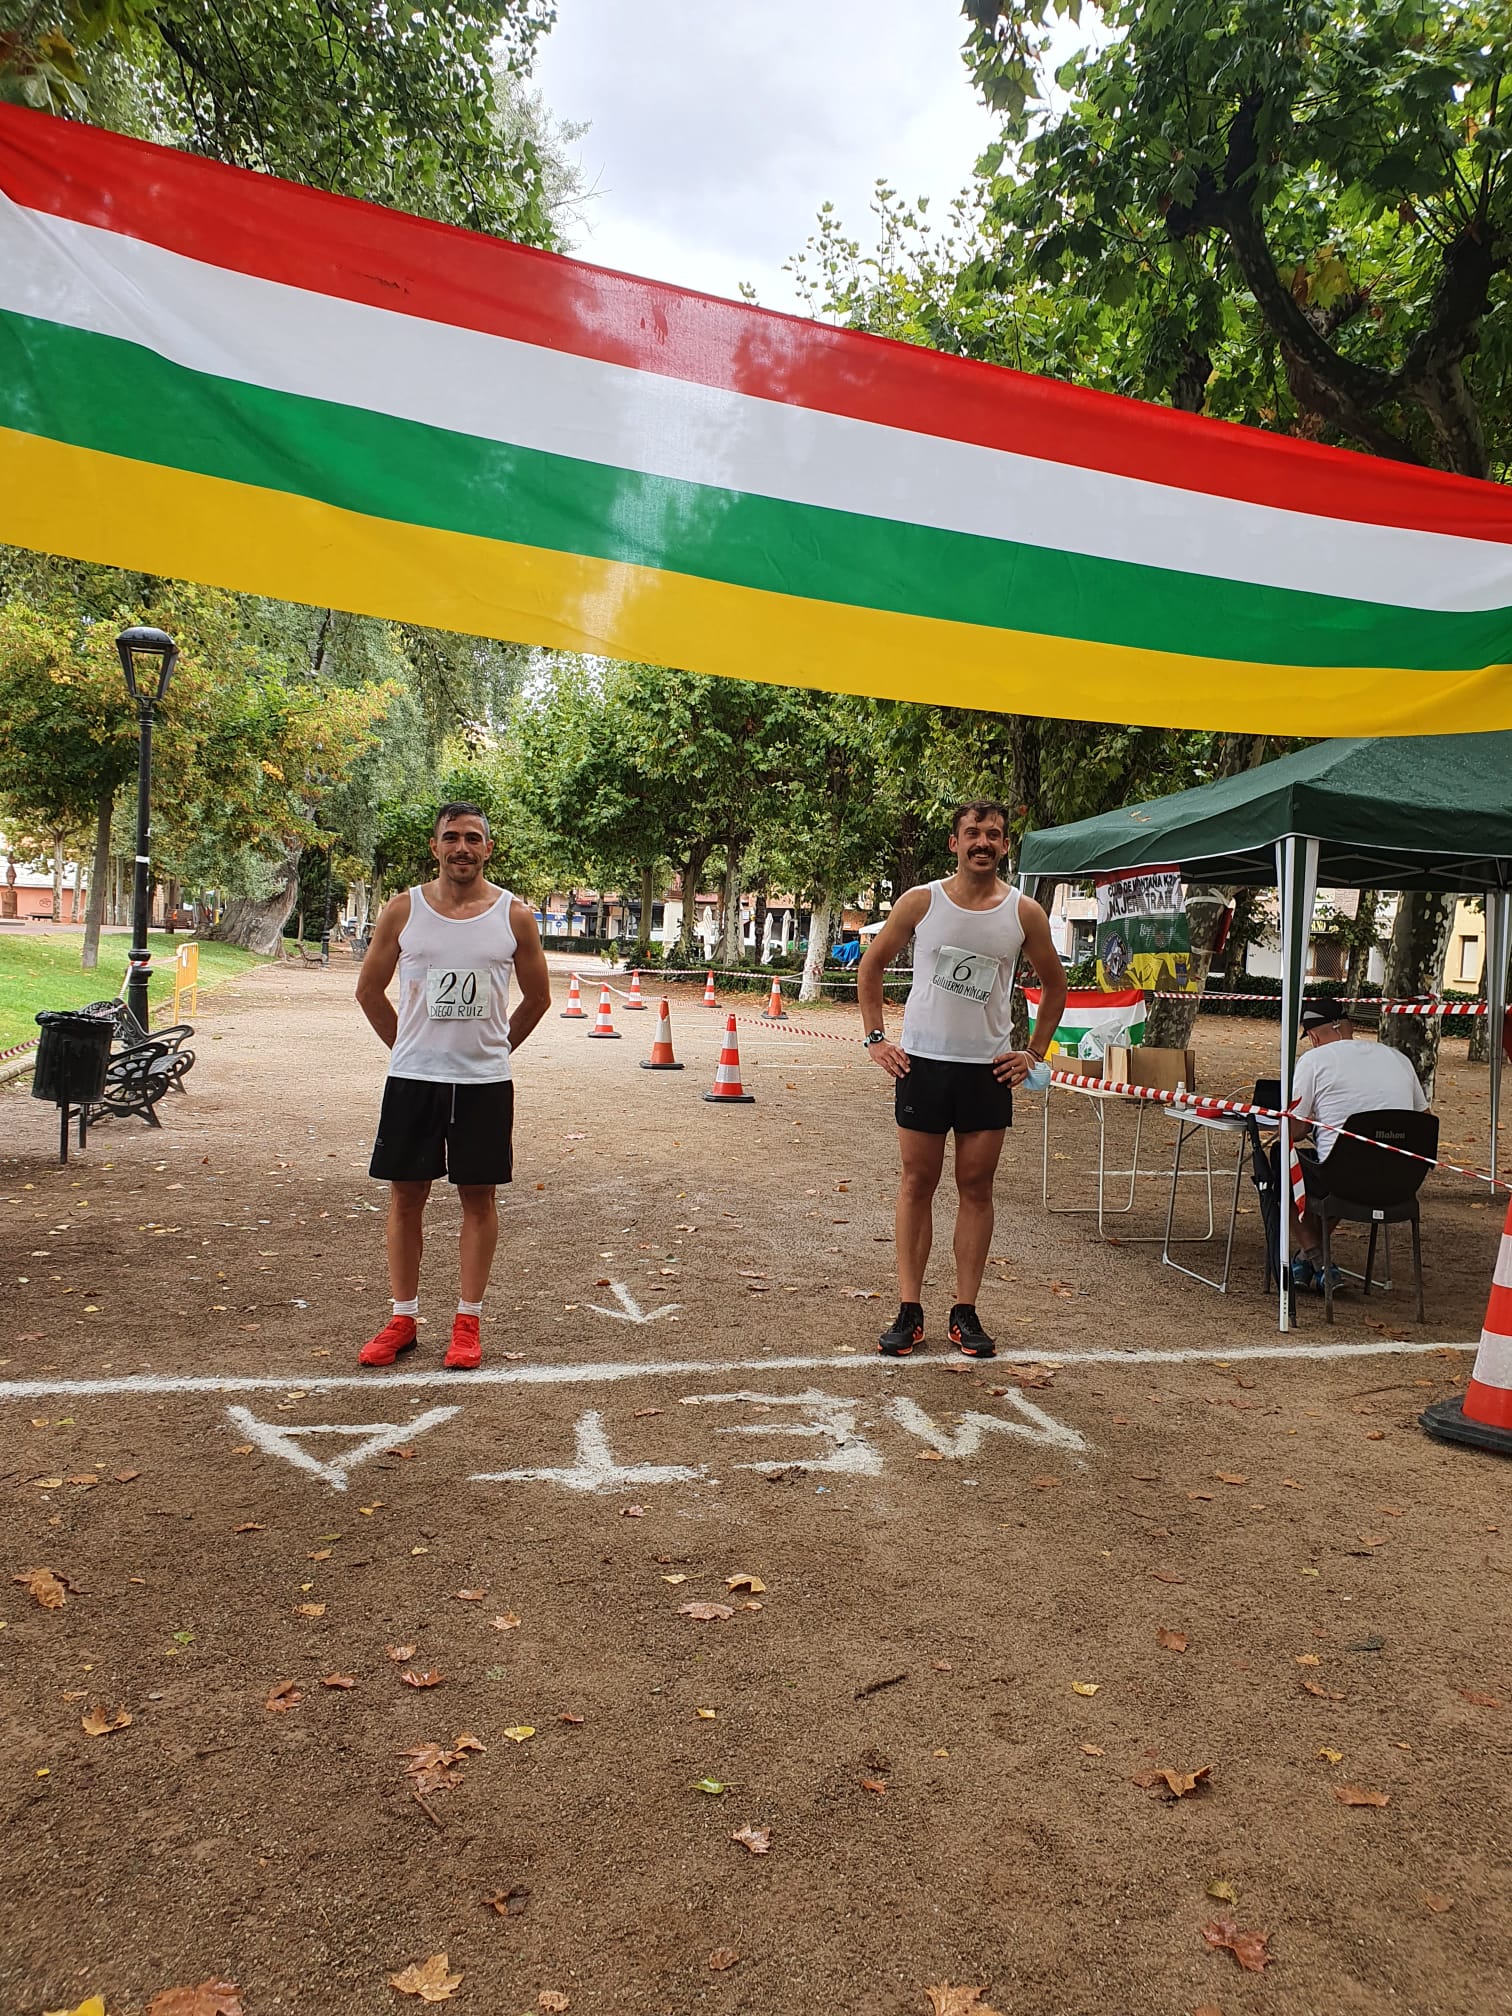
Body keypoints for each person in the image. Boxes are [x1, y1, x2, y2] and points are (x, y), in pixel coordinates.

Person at [858, 800, 1068, 1358]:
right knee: (916, 1184)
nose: (983, 842)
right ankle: (908, 1310)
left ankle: (965, 1312)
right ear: (954, 843)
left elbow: (1056, 987)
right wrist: (876, 1039)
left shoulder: (1024, 913)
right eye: (972, 833)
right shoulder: (921, 902)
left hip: (989, 1070)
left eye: (993, 835)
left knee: (976, 1188)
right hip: (923, 1064)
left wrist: (1033, 1054)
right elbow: (871, 965)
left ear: (1004, 846)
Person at [355, 802, 551, 1370]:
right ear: (435, 846)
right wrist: (409, 1048)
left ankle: (467, 1322)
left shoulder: (513, 916)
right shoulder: (403, 911)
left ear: (488, 848)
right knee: (405, 1196)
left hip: (483, 1084)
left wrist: (494, 1051)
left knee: (478, 1197)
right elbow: (369, 991)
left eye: (472, 838)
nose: (461, 847)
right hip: (413, 1079)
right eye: (451, 838)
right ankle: (403, 1318)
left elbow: (538, 998)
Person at [1282, 999, 1428, 1291]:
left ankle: (1317, 1259)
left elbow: (1294, 1132)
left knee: (1279, 1162)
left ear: (1311, 1037)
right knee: (1335, 1166)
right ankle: (1307, 1260)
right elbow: (1424, 1121)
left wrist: (1308, 1121)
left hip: (1343, 1179)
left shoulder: (1313, 1061)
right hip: (1401, 1180)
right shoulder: (1398, 1057)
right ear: (1349, 1027)